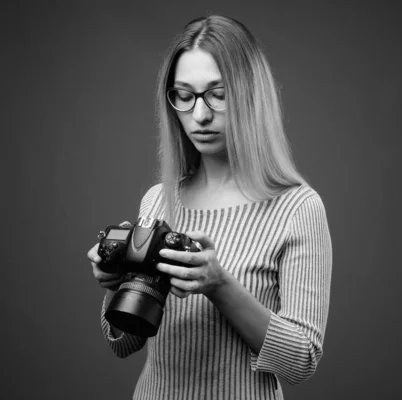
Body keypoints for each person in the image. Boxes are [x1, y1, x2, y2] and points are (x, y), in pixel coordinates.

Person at [86, 15, 332, 400]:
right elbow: (123, 344)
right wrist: (117, 283)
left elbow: (300, 361)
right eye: (184, 95)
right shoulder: (158, 200)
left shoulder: (297, 208)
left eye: (217, 93)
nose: (199, 115)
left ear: (251, 92)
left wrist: (220, 287)